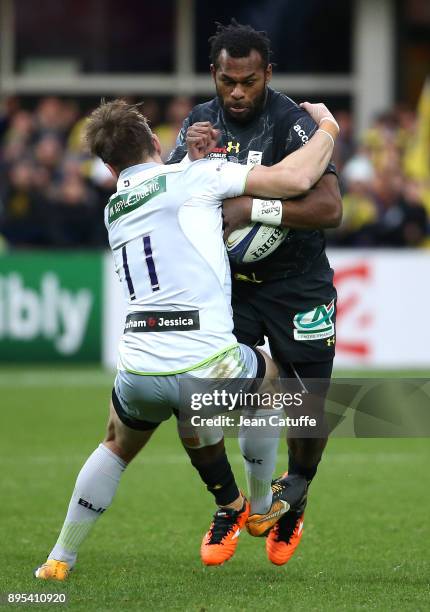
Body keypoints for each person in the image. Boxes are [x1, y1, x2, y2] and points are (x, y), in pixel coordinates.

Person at [34, 97, 338, 580]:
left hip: (138, 368)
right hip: (206, 364)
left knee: (115, 444)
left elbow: (167, 198)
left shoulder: (115, 207)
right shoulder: (199, 177)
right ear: (156, 141)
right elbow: (298, 179)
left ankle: (58, 559)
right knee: (277, 381)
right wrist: (326, 126)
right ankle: (259, 505)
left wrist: (194, 158)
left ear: (109, 166)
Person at [167, 20, 343, 566]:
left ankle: (297, 495)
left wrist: (250, 208)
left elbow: (329, 209)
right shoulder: (199, 123)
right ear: (214, 75)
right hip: (230, 290)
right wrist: (183, 163)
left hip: (299, 284)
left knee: (307, 407)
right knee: (205, 395)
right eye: (227, 81)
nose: (237, 92)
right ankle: (231, 504)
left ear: (266, 74)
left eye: (248, 80)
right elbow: (167, 197)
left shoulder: (292, 123)